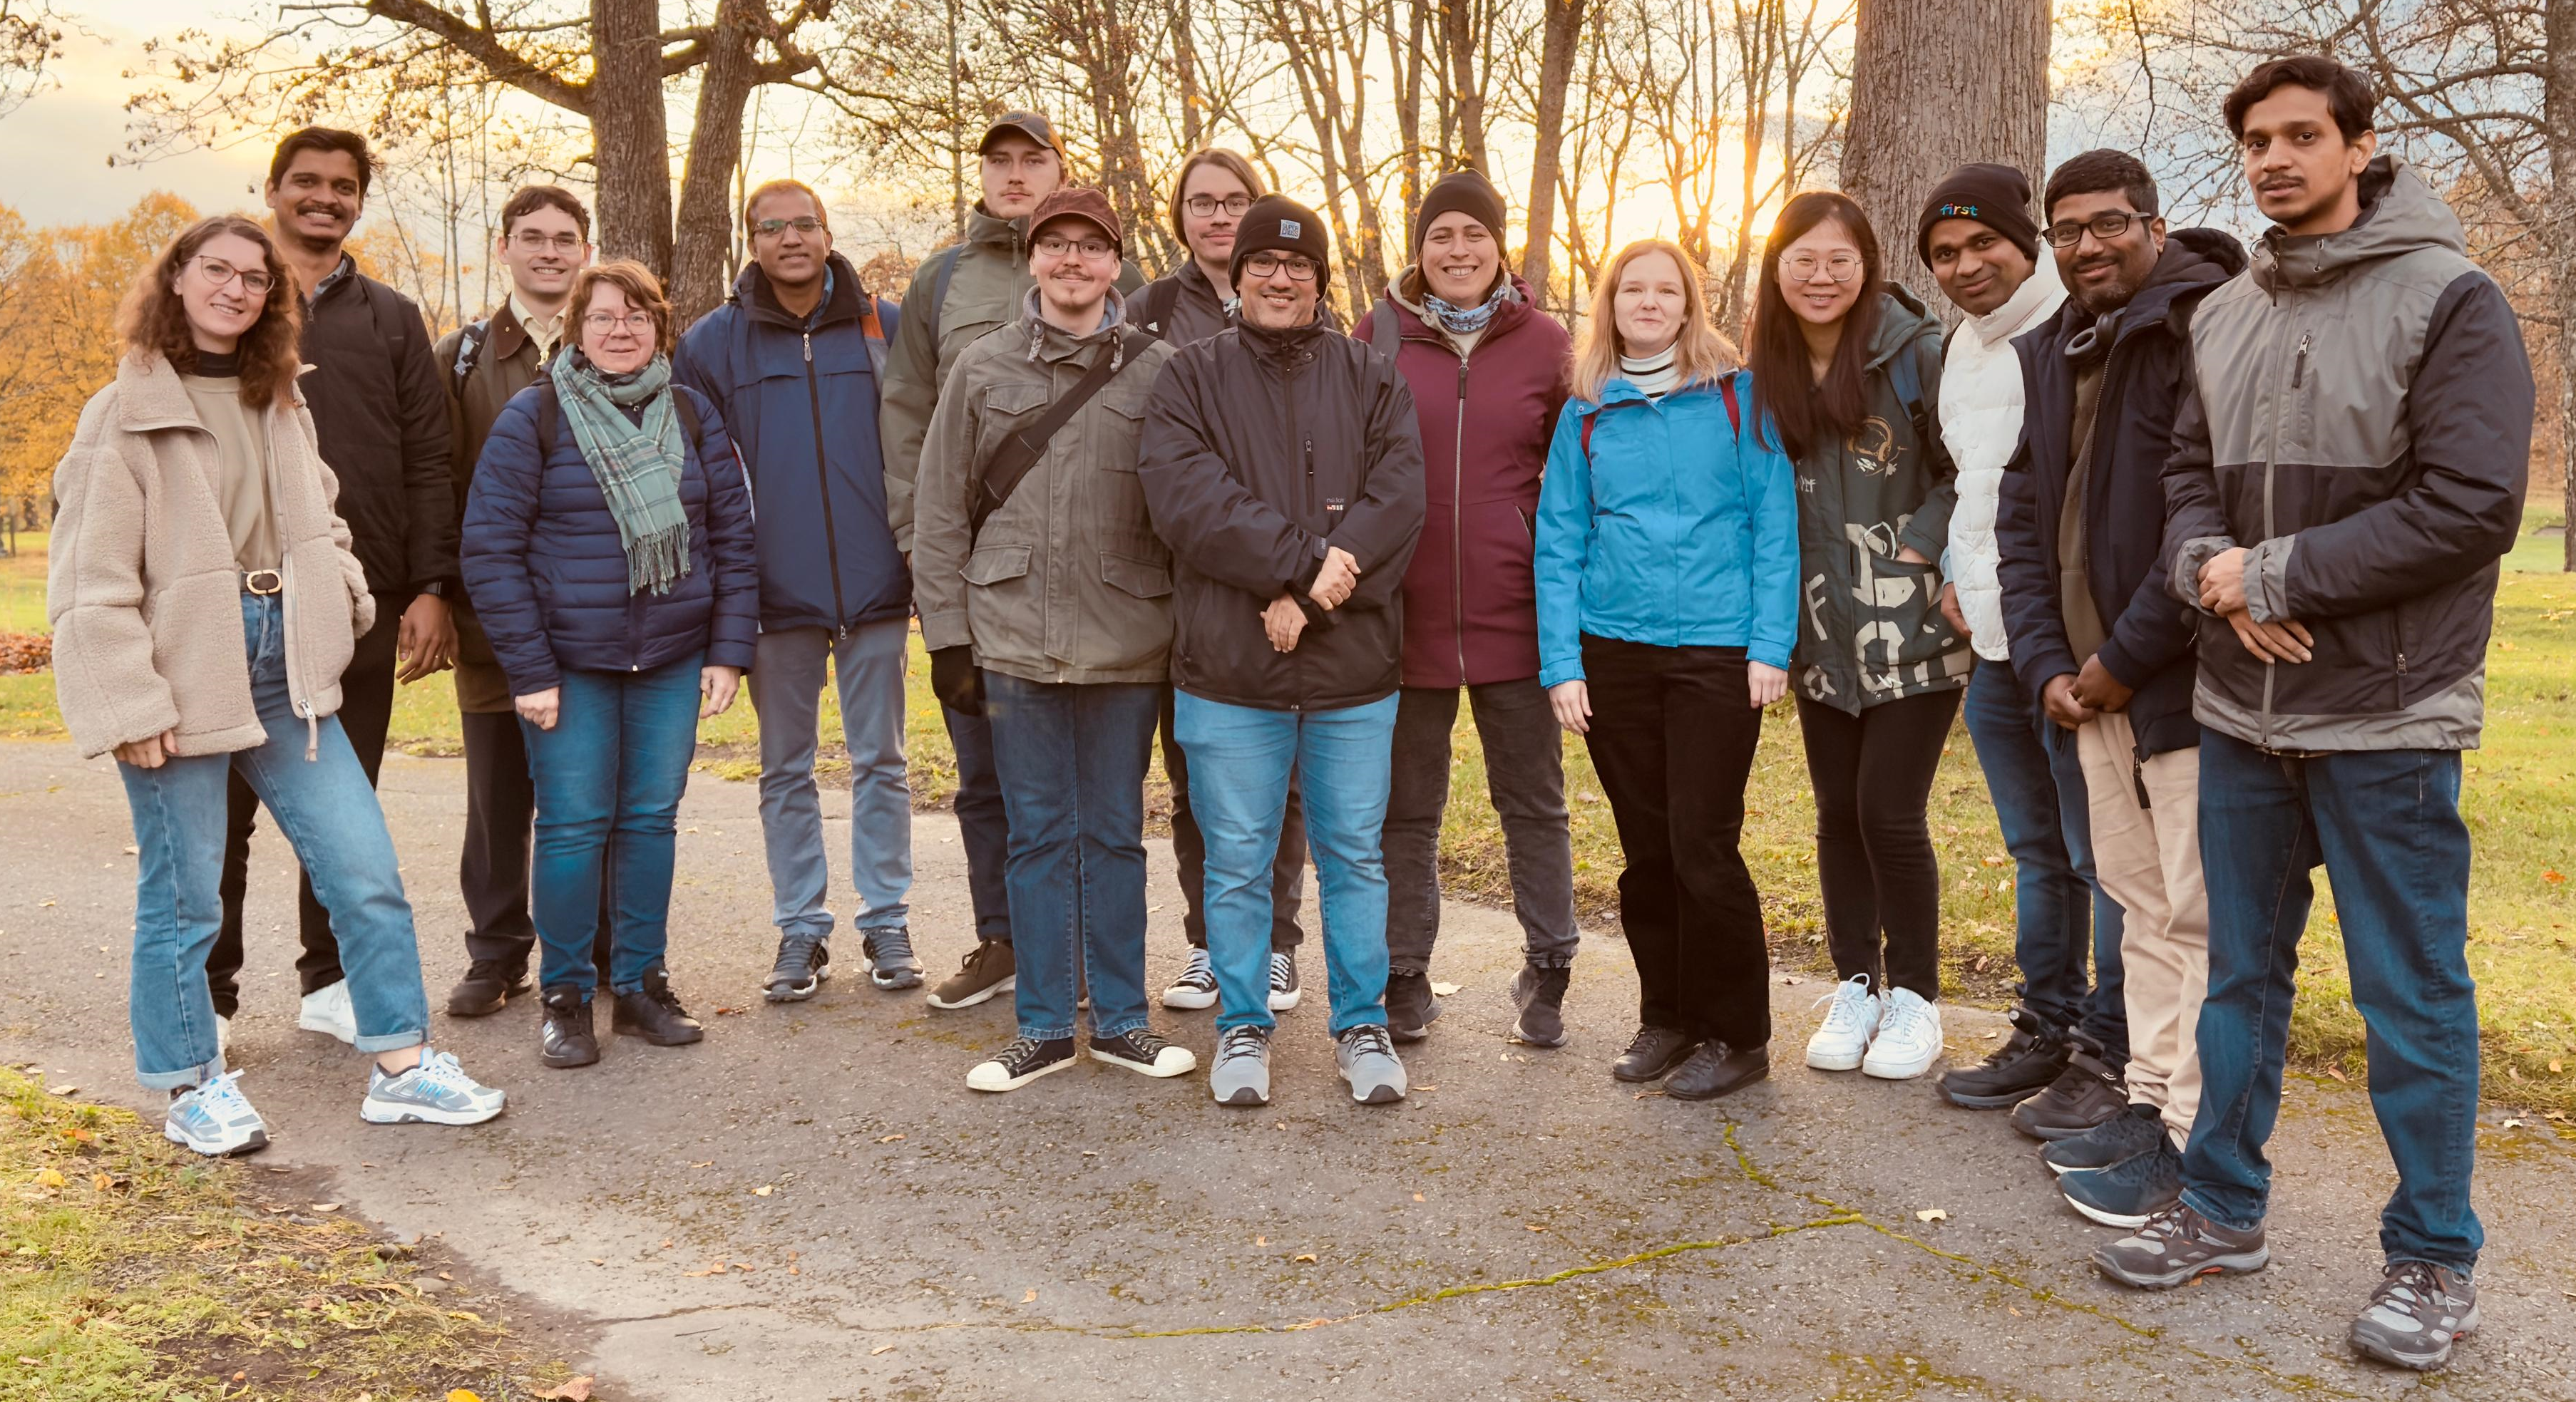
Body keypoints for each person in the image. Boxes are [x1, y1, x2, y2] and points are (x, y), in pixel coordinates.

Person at [2096, 59, 2531, 1376]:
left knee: (2410, 998)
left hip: (2385, 718)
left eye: (2300, 136)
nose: (2274, 158)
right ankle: (2220, 1208)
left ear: (2357, 145)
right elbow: (2186, 483)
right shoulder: (2222, 310)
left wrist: (2272, 575)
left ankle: (2430, 1258)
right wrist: (2206, 580)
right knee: (2238, 978)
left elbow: (2469, 504)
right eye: (2255, 142)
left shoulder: (2449, 300)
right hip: (2239, 710)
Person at [50, 215, 505, 1155]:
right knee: (184, 901)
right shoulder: (121, 410)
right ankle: (190, 1084)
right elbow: (90, 581)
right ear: (176, 282)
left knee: (365, 872)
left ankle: (402, 1065)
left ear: (270, 299)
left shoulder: (280, 403)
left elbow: (324, 526)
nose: (235, 287)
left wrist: (340, 602)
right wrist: (131, 705)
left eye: (254, 278)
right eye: (214, 270)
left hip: (283, 676)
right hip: (180, 677)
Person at [1996, 150, 2242, 1230]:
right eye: (2067, 230)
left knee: (2195, 916)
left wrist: (2122, 659)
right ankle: (2146, 1102)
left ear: (2152, 224)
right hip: (2085, 688)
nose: (2087, 245)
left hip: (2176, 686)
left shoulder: (2202, 324)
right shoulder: (2052, 346)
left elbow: (2204, 512)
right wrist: (2050, 663)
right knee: (2141, 909)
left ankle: (2192, 1139)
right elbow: (2021, 515)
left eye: (2108, 225)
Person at [1138, 196, 1426, 1108]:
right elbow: (1188, 500)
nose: (1278, 276)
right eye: (1262, 261)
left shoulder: (1372, 375)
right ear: (1237, 272)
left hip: (1352, 672)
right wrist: (1298, 568)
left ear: (1320, 279)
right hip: (1229, 668)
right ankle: (1242, 1028)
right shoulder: (1188, 377)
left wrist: (1308, 598)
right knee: (1236, 859)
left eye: (1298, 265)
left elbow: (1400, 498)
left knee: (1354, 855)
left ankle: (1361, 1021)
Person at [913, 188, 1195, 1092]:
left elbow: (1186, 511)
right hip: (1011, 640)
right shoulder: (983, 366)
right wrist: (948, 638)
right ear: (1032, 259)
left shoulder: (1160, 371)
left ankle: (1118, 1020)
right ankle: (1039, 1022)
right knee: (1035, 835)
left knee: (1113, 832)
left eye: (1091, 248)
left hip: (1124, 639)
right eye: (1056, 246)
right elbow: (938, 510)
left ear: (1117, 265)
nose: (1073, 262)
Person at [461, 261, 758, 1068]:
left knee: (649, 821)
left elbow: (733, 541)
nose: (618, 330)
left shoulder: (694, 416)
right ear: (576, 331)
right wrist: (529, 671)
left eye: (635, 316)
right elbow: (491, 551)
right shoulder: (537, 417)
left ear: (659, 326)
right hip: (569, 663)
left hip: (669, 655)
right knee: (570, 827)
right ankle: (564, 996)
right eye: (601, 318)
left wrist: (728, 651)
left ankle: (638, 987)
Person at [211, 126, 458, 1049]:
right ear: (274, 189)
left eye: (343, 186)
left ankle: (330, 980)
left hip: (360, 597)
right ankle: (213, 991)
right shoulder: (228, 300)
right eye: (306, 182)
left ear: (359, 200)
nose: (324, 197)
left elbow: (430, 458)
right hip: (232, 597)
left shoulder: (391, 318)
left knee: (342, 801)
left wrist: (431, 584)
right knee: (221, 811)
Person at [1533, 239, 1794, 1101]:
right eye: (1631, 290)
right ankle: (1669, 1016)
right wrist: (1562, 664)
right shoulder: (1587, 411)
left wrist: (1769, 645)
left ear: (1690, 305)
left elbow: (1772, 521)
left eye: (1665, 290)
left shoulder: (1735, 396)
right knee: (1646, 851)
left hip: (1718, 654)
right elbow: (1559, 538)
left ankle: (1738, 1032)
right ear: (1609, 306)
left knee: (1701, 844)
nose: (1648, 302)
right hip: (1614, 655)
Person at [1914, 165, 2132, 1134]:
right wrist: (1953, 574)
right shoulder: (1960, 348)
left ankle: (2112, 1048)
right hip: (1995, 645)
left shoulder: (2074, 331)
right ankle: (2046, 1023)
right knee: (2037, 850)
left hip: (2076, 649)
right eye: (1944, 255)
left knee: (2106, 859)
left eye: (1982, 245)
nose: (1965, 267)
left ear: (2027, 242)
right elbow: (1974, 485)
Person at [673, 179, 914, 1005]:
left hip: (878, 587)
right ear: (751, 241)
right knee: (785, 767)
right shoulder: (712, 345)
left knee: (881, 759)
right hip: (771, 598)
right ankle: (801, 927)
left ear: (826, 231)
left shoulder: (885, 325)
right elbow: (697, 481)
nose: (789, 239)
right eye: (769, 228)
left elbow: (919, 446)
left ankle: (886, 917)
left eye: (803, 224)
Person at [1748, 191, 1969, 1083]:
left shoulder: (1919, 354)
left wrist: (1922, 540)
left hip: (1912, 628)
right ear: (1775, 268)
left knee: (1888, 810)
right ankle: (1856, 983)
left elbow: (1978, 468)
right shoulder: (1763, 371)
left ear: (1867, 265)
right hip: (1819, 634)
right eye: (1802, 258)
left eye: (1839, 259)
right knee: (1837, 815)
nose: (1820, 275)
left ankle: (1916, 995)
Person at [1360, 170, 1579, 1046]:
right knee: (1404, 807)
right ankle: (1403, 971)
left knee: (1532, 800)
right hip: (1399, 616)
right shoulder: (1375, 337)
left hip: (1516, 612)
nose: (1458, 251)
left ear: (1500, 249)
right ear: (1419, 251)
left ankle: (1550, 967)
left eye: (1473, 236)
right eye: (1440, 236)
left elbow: (1576, 480)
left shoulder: (1549, 344)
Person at [1134, 148, 1314, 1016]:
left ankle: (1276, 944)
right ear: (1181, 218)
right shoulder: (1148, 314)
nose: (1217, 216)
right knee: (1196, 777)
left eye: (1234, 202)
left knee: (1280, 780)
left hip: (1292, 588)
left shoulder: (1304, 303)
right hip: (1188, 588)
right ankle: (1211, 941)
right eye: (1201, 203)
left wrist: (1295, 572)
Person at [434, 185, 607, 1017]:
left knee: (591, 795)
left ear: (585, 250)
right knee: (499, 798)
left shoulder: (613, 345)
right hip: (493, 621)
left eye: (564, 238)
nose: (548, 251)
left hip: (597, 621)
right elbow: (436, 485)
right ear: (503, 248)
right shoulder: (461, 357)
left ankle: (604, 945)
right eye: (531, 237)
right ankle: (498, 952)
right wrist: (434, 592)